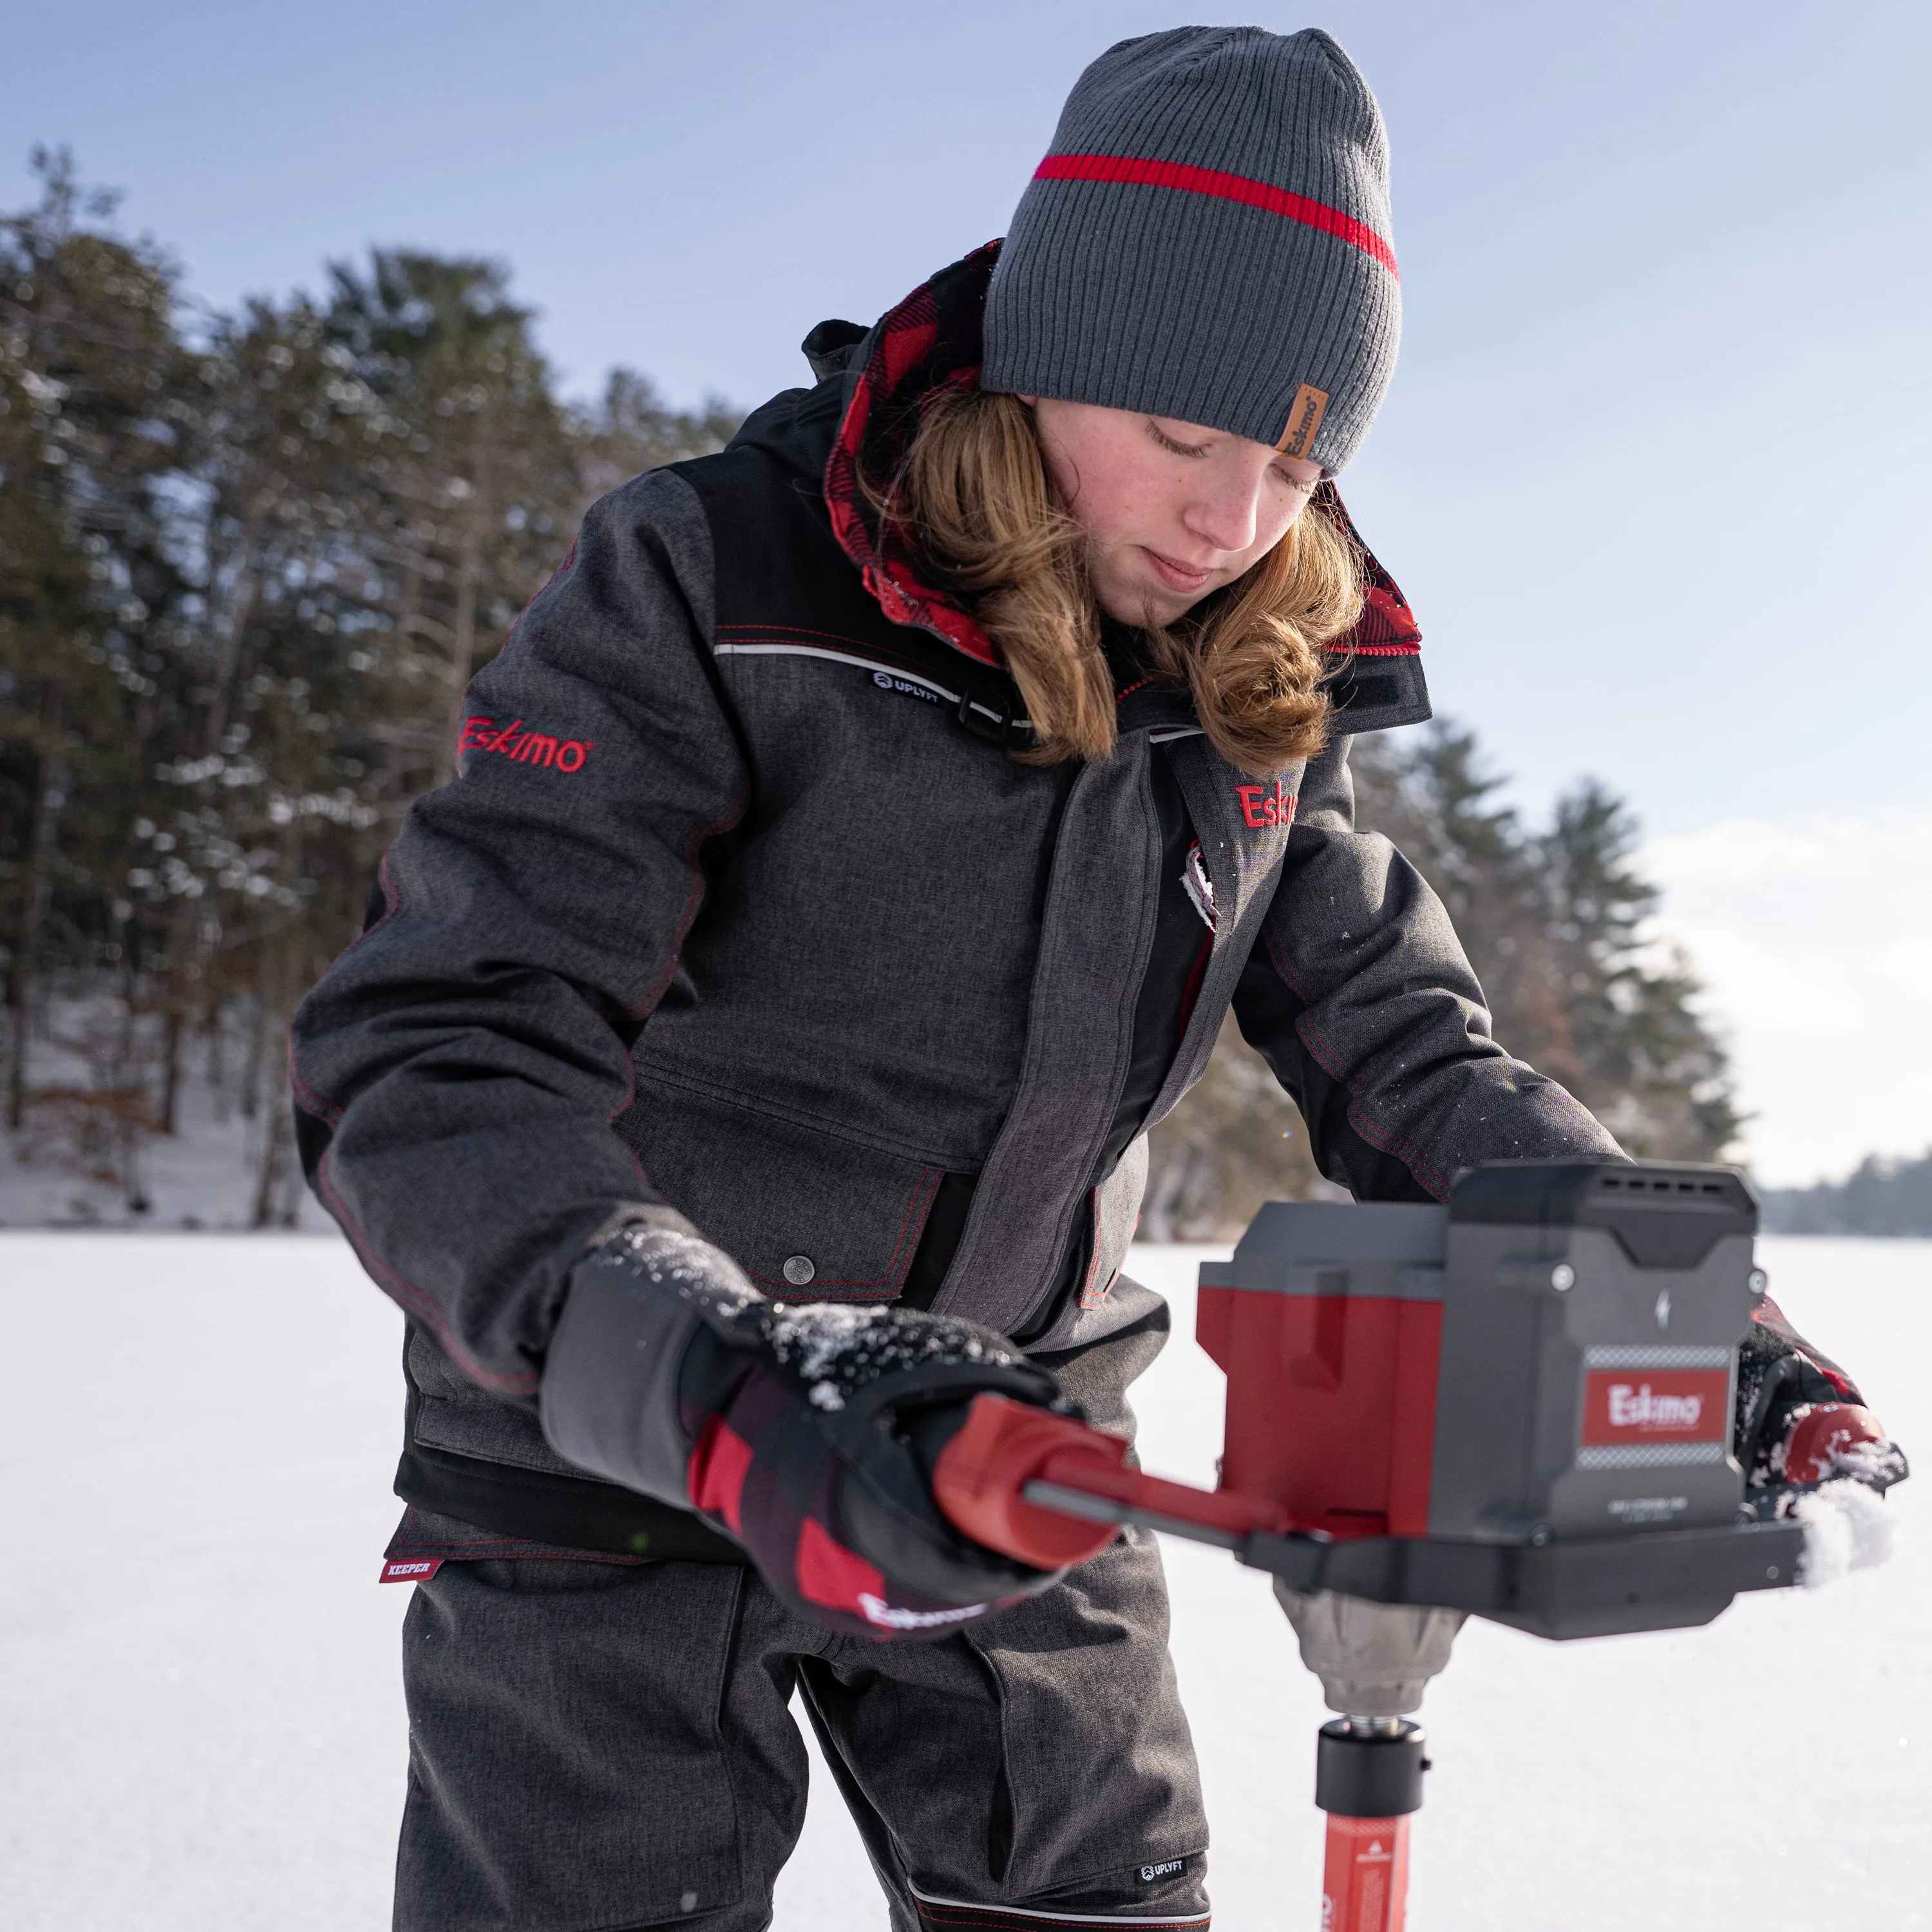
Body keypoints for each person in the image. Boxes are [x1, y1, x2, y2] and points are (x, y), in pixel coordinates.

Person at [291, 25, 1902, 1931]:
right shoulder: (715, 578)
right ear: (1049, 354)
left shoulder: (1256, 690)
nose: (1236, 522)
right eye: (1189, 436)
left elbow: (1406, 1049)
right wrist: (708, 1374)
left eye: (1301, 463)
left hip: (1019, 1461)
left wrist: (1697, 1314)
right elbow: (443, 1044)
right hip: (621, 1440)